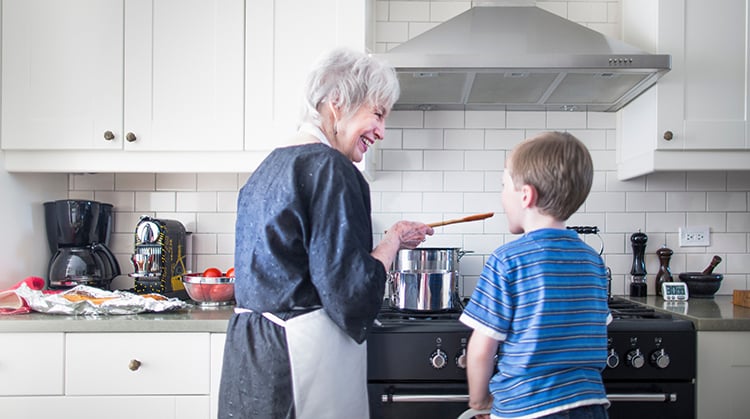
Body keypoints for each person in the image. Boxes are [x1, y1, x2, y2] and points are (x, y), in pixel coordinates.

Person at [217, 47, 434, 419]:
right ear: (338, 102)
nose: (381, 131)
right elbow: (351, 293)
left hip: (251, 359)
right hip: (299, 363)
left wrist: (394, 235)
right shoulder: (331, 168)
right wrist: (392, 241)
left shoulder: (266, 169)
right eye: (378, 114)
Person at [460, 131, 611, 419]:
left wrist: (479, 401)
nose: (502, 196)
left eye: (504, 186)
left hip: (526, 408)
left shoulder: (507, 261)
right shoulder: (593, 262)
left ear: (526, 195)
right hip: (589, 406)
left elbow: (481, 349)